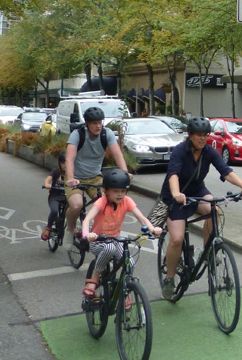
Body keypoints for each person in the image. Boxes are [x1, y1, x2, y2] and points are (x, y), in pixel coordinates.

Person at [158, 116, 242, 300]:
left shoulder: (209, 151)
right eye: (198, 135)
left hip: (197, 191)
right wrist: (176, 193)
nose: (202, 138)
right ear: (190, 135)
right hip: (176, 196)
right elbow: (173, 174)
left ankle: (209, 251)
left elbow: (226, 171)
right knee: (176, 239)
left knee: (214, 209)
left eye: (205, 135)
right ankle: (169, 279)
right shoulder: (180, 151)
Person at [81, 168, 162, 299]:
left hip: (115, 239)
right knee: (109, 248)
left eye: (123, 191)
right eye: (115, 191)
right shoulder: (101, 202)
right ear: (106, 191)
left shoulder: (127, 201)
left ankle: (123, 291)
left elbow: (142, 218)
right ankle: (94, 279)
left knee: (130, 262)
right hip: (98, 241)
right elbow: (87, 219)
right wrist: (86, 234)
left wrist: (152, 229)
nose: (120, 195)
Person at [64, 106, 131, 256]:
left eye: (100, 122)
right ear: (87, 124)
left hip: (96, 177)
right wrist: (70, 178)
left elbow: (117, 154)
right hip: (75, 177)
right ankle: (70, 230)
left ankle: (100, 234)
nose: (98, 126)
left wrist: (125, 174)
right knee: (76, 205)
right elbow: (69, 158)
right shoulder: (77, 134)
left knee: (106, 203)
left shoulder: (106, 134)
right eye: (94, 123)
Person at [40, 153, 67, 241]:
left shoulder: (72, 173)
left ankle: (73, 228)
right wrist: (47, 184)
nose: (65, 165)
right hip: (54, 197)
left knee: (75, 209)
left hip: (66, 197)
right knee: (54, 211)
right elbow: (48, 179)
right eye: (63, 163)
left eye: (67, 162)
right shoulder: (56, 171)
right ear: (60, 163)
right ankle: (48, 228)